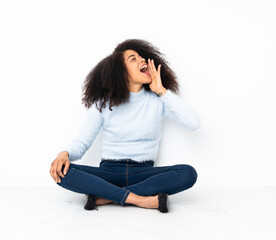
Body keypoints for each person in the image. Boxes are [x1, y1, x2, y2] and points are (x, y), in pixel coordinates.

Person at [49, 39, 200, 213]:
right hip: (108, 173)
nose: (142, 61)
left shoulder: (159, 100)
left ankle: (106, 197)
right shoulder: (103, 104)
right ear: (120, 72)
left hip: (143, 173)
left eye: (143, 58)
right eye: (133, 59)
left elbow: (193, 123)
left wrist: (161, 91)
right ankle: (140, 200)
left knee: (188, 173)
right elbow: (82, 142)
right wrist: (64, 154)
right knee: (62, 171)